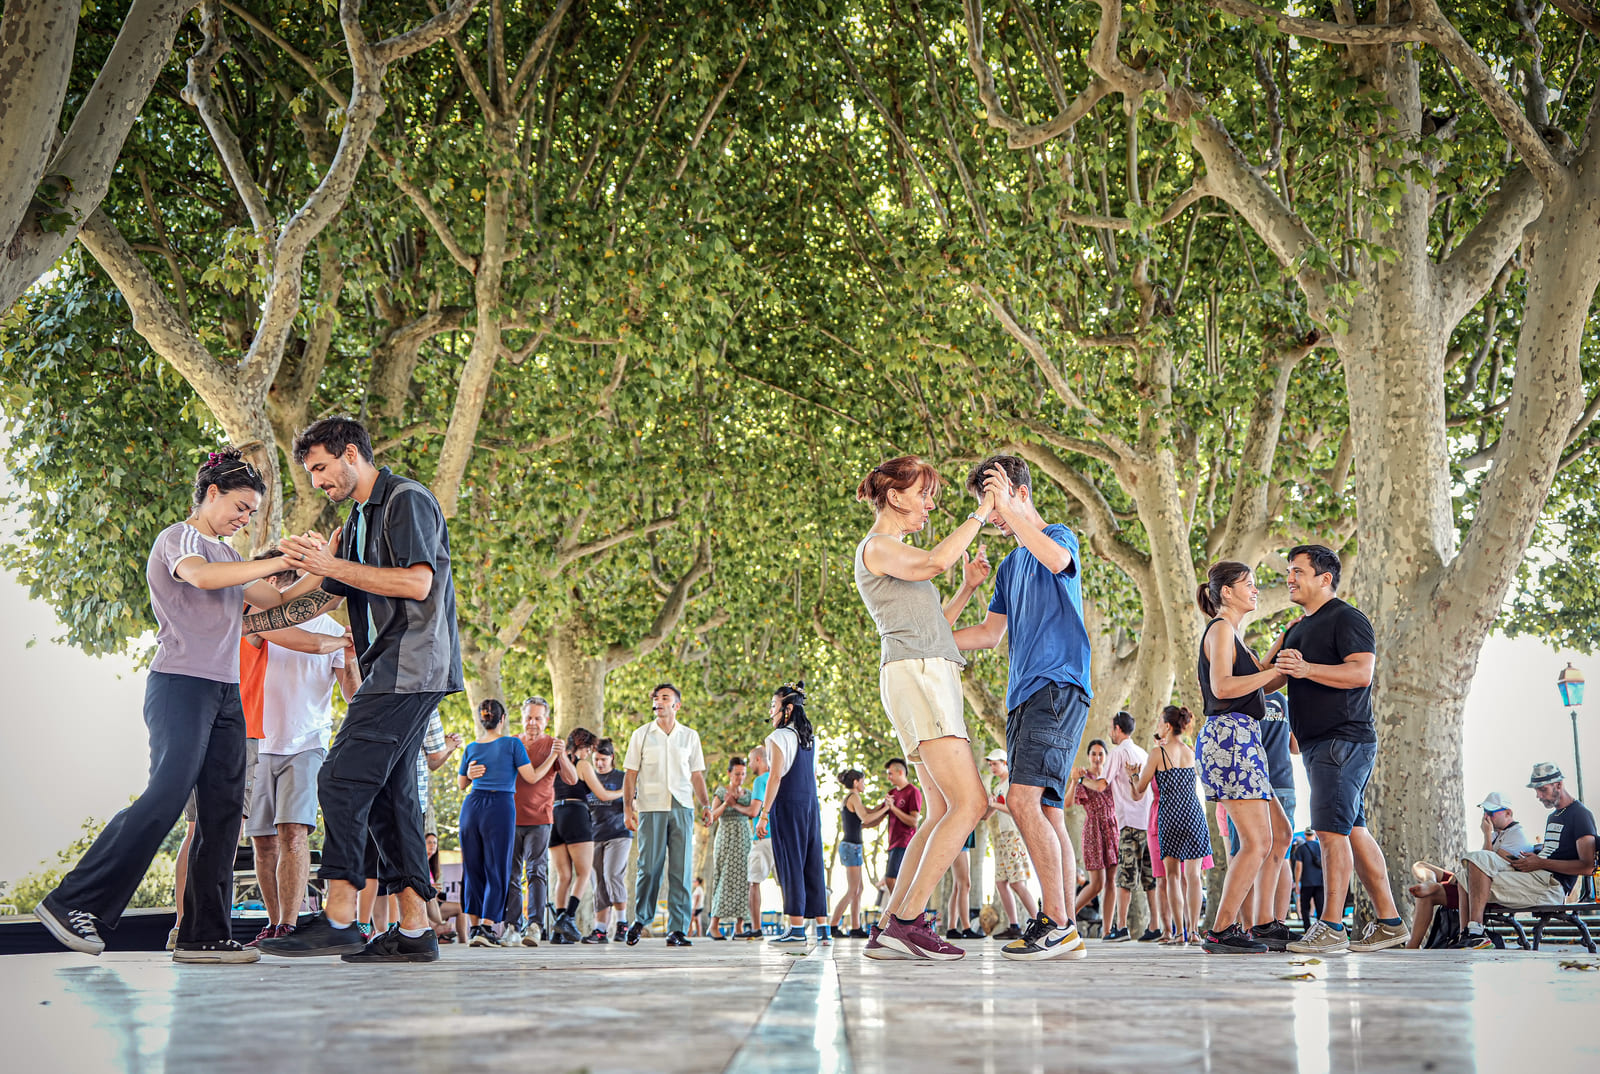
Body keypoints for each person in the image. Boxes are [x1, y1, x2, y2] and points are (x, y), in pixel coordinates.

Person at [37, 449, 296, 964]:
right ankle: (73, 902)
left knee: (224, 813)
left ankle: (204, 934)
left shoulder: (229, 557)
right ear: (212, 493)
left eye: (251, 512)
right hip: (180, 684)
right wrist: (279, 560)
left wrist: (326, 569)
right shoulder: (180, 539)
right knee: (167, 794)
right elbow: (201, 578)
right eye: (240, 507)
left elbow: (279, 601)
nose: (245, 519)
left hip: (225, 693)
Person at [262, 416, 464, 964]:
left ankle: (339, 916)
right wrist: (251, 609)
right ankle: (416, 930)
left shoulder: (406, 500)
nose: (317, 482)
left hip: (411, 664)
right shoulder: (354, 522)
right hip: (388, 668)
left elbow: (418, 582)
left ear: (351, 453)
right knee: (391, 797)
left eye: (321, 468)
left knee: (340, 778)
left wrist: (332, 563)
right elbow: (322, 596)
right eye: (310, 474)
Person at [853, 454, 994, 961]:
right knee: (971, 803)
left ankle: (890, 926)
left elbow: (935, 627)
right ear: (894, 497)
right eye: (923, 495)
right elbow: (936, 561)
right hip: (919, 677)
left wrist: (967, 588)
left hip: (922, 670)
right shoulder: (878, 547)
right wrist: (984, 510)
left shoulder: (897, 555)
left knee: (939, 810)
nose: (930, 505)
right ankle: (908, 922)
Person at [951, 456, 1090, 961]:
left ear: (1021, 493)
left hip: (1057, 686)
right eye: (985, 508)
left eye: (994, 503)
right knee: (1048, 810)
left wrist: (1007, 508)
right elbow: (989, 634)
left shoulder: (1058, 536)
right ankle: (1065, 926)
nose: (990, 516)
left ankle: (1057, 923)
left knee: (1022, 800)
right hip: (1022, 698)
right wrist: (926, 639)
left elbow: (1057, 560)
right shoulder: (1010, 566)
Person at [1269, 544, 1407, 955]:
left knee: (1330, 831)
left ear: (1324, 578)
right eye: (1288, 571)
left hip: (1343, 741)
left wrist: (1306, 668)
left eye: (1297, 571)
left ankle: (1331, 927)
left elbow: (1362, 672)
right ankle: (1390, 923)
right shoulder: (1297, 629)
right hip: (1318, 747)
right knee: (1352, 831)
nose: (1289, 578)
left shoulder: (1347, 617)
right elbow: (1268, 677)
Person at [245, 555, 359, 943]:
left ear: (284, 584)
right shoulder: (260, 625)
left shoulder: (331, 629)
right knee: (263, 841)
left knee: (293, 833)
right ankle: (272, 923)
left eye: (267, 583)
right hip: (259, 743)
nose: (260, 592)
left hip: (307, 743)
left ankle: (289, 925)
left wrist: (349, 657)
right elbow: (306, 644)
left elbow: (352, 694)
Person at [1193, 561, 1293, 954]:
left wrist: (1286, 641)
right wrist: (1269, 673)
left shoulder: (1236, 636)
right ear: (1227, 592)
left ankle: (1264, 923)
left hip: (1246, 739)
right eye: (1248, 584)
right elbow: (1222, 686)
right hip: (1229, 737)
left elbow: (1265, 677)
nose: (1256, 590)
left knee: (1280, 835)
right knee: (1256, 841)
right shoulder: (1220, 629)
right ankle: (1221, 930)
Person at [1454, 765, 1596, 949]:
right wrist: (1530, 861)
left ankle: (1476, 933)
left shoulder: (1580, 815)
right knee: (1469, 869)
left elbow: (1587, 867)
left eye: (1543, 790)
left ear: (1559, 785)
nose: (1539, 796)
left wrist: (1540, 862)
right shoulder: (1554, 816)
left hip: (1551, 886)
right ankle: (1468, 935)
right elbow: (1551, 853)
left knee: (1475, 869)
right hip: (1536, 876)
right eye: (1537, 791)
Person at [622, 683, 709, 947]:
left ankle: (677, 930)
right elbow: (630, 774)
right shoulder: (641, 734)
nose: (658, 701)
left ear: (676, 705)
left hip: (682, 806)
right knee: (649, 868)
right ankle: (641, 920)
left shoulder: (689, 736)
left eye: (665, 697)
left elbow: (696, 775)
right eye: (656, 698)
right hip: (651, 807)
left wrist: (705, 805)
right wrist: (627, 808)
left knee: (681, 870)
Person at [456, 700, 538, 947]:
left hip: (472, 807)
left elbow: (461, 784)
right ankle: (487, 927)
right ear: (502, 719)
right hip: (499, 806)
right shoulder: (513, 744)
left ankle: (474, 928)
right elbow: (531, 777)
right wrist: (554, 757)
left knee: (473, 867)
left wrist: (470, 774)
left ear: (482, 720)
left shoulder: (471, 747)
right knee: (497, 867)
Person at [757, 684, 831, 945]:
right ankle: (823, 929)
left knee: (791, 864)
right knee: (813, 863)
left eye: (773, 705)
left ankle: (797, 928)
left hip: (788, 804)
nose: (771, 711)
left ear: (787, 709)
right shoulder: (809, 738)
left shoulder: (777, 737)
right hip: (810, 804)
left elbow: (775, 777)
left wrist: (764, 814)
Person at [1132, 707, 1209, 945]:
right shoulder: (1191, 752)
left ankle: (1179, 933)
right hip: (1194, 814)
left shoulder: (1158, 753)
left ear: (1167, 726)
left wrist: (1133, 775)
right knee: (1194, 877)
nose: (1157, 726)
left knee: (1173, 877)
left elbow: (1139, 790)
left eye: (1159, 722)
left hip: (1170, 816)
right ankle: (1194, 931)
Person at [548, 726, 620, 944]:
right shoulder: (582, 765)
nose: (590, 753)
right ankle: (568, 917)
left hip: (554, 816)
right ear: (585, 746)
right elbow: (603, 795)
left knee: (563, 876)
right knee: (584, 872)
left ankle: (558, 933)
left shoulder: (556, 762)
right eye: (590, 749)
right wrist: (625, 791)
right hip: (576, 815)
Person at [505, 696, 564, 947]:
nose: (532, 723)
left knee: (536, 871)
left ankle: (535, 925)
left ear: (546, 720)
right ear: (522, 717)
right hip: (510, 817)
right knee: (511, 874)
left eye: (538, 718)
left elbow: (571, 779)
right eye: (528, 717)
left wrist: (561, 754)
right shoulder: (512, 743)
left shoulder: (553, 744)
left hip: (540, 818)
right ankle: (512, 926)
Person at [1103, 712, 1156, 942]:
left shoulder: (1117, 753)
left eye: (1111, 728)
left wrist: (1080, 779)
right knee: (1150, 878)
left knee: (1125, 876)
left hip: (1129, 823)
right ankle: (1155, 926)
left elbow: (1102, 784)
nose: (1110, 733)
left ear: (1117, 729)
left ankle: (1121, 927)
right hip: (1148, 822)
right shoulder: (1142, 753)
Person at [985, 750, 1038, 941]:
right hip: (1002, 836)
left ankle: (1039, 920)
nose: (992, 767)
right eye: (990, 764)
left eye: (995, 763)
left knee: (1017, 882)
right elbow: (988, 815)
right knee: (1001, 882)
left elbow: (1015, 810)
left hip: (1014, 835)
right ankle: (1014, 925)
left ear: (1005, 763)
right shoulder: (998, 786)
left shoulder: (1011, 784)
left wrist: (994, 804)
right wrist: (988, 805)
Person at [830, 769, 886, 938]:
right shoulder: (854, 797)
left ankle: (856, 927)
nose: (864, 785)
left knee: (859, 889)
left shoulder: (852, 798)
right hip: (851, 847)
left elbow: (869, 812)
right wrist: (887, 808)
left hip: (854, 847)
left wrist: (884, 806)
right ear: (855, 782)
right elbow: (866, 818)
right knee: (853, 890)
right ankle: (832, 925)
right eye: (862, 781)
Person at [706, 756, 758, 940]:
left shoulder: (749, 794)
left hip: (744, 838)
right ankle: (714, 925)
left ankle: (739, 926)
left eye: (743, 774)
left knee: (744, 879)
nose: (740, 778)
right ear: (729, 773)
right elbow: (712, 816)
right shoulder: (721, 792)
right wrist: (726, 804)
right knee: (724, 878)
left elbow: (753, 812)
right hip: (726, 837)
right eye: (737, 774)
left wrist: (737, 804)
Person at [1070, 740, 1118, 927]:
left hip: (1112, 829)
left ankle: (1107, 930)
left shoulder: (1110, 776)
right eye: (1094, 754)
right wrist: (1074, 780)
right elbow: (1068, 802)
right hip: (1093, 830)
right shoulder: (1084, 778)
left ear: (1105, 756)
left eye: (1101, 754)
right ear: (1088, 756)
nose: (1097, 758)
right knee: (1097, 883)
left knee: (1111, 881)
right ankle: (1069, 917)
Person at [589, 738, 631, 942]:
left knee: (612, 874)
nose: (599, 764)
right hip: (594, 836)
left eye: (603, 760)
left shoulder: (623, 778)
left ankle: (622, 923)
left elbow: (633, 803)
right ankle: (600, 929)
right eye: (596, 759)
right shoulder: (588, 777)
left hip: (619, 833)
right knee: (598, 881)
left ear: (612, 758)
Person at [744, 745, 775, 938]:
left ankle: (756, 929)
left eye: (750, 761)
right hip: (780, 837)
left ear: (758, 759)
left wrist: (733, 804)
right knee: (785, 883)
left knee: (754, 883)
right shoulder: (778, 778)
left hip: (763, 837)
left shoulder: (760, 780)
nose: (749, 765)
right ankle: (794, 927)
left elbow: (753, 811)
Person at [882, 759, 924, 899]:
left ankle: (900, 909)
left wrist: (893, 808)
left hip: (905, 843)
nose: (888, 777)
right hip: (892, 843)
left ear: (900, 772)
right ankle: (899, 909)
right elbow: (878, 813)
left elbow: (913, 821)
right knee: (892, 881)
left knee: (892, 879)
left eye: (890, 773)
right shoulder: (892, 793)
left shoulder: (913, 792)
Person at [1291, 831, 1324, 927]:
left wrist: (1297, 883)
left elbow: (1298, 867)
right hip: (1320, 882)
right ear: (1315, 834)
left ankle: (1307, 928)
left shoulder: (1301, 848)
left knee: (1305, 908)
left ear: (1305, 835)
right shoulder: (1320, 847)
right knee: (1320, 907)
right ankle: (1320, 929)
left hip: (1306, 882)